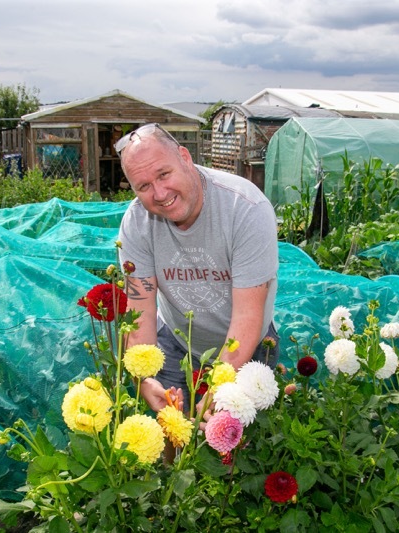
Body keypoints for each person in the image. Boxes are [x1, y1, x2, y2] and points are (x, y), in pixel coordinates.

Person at [116, 123, 279, 413]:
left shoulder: (245, 209)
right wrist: (143, 378)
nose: (160, 193)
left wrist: (220, 387)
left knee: (240, 446)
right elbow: (139, 305)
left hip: (247, 345)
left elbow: (247, 315)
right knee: (172, 441)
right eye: (144, 186)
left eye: (163, 174)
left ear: (185, 157)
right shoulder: (136, 223)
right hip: (177, 341)